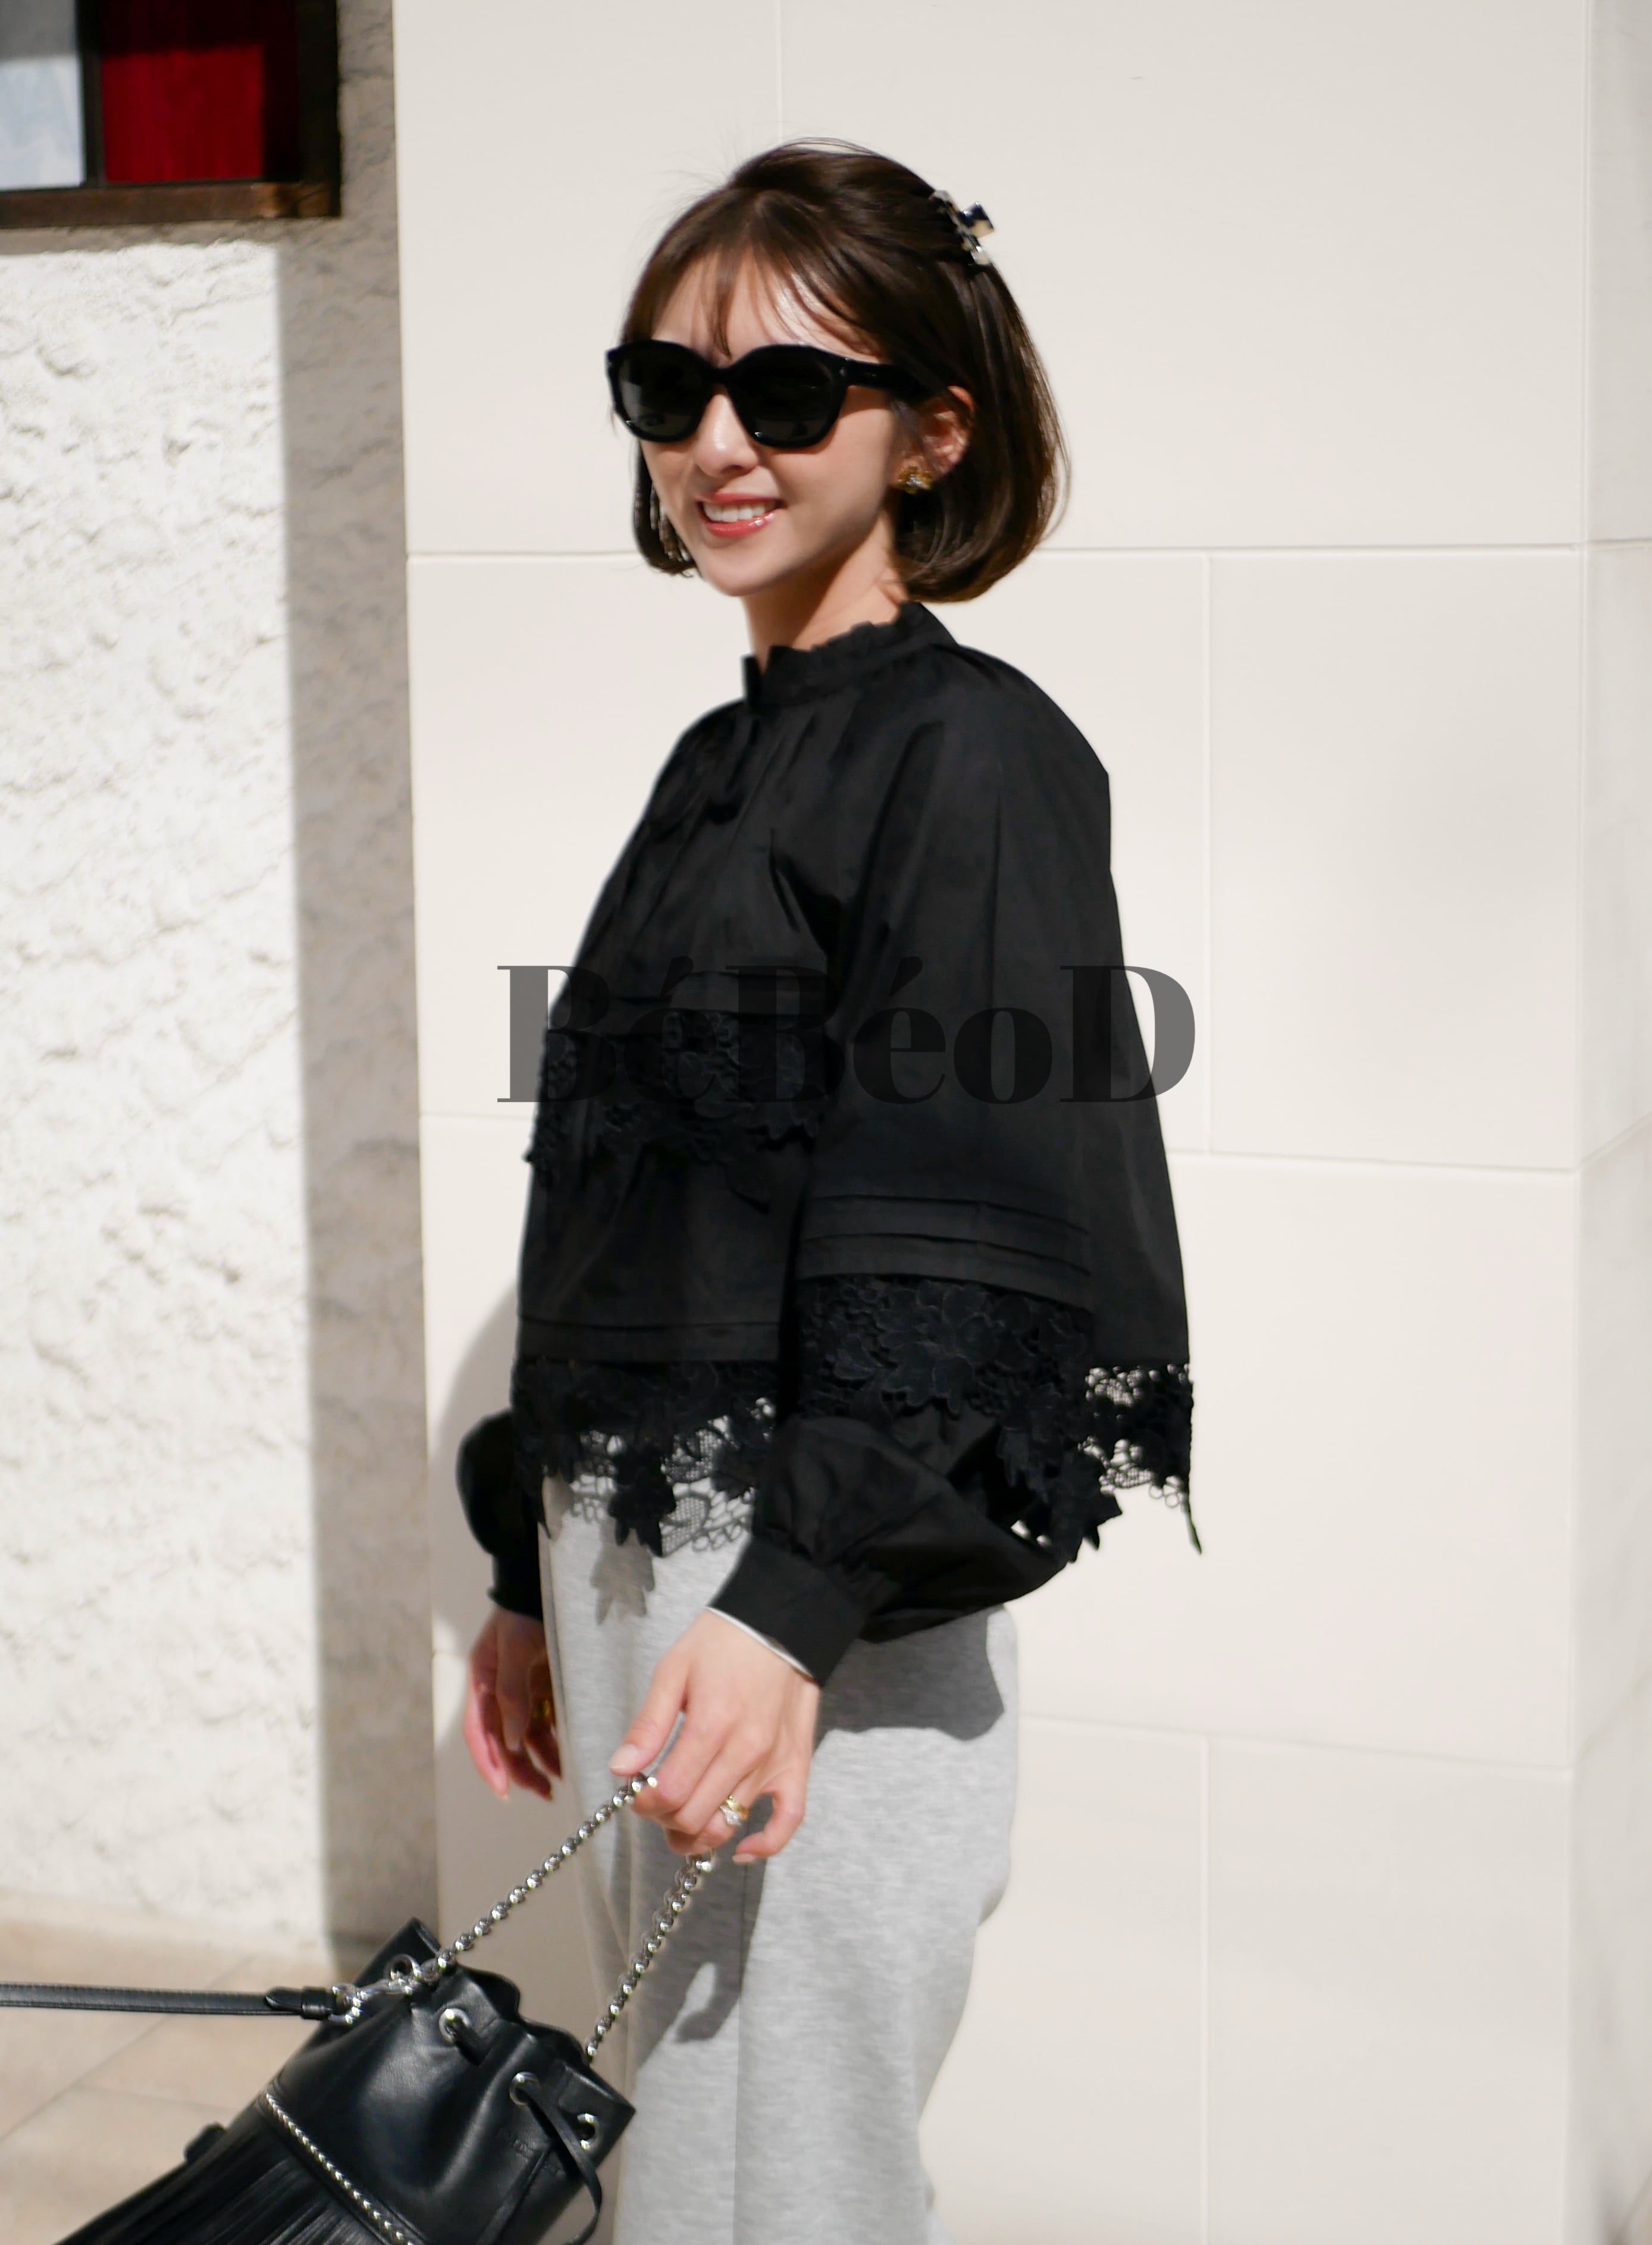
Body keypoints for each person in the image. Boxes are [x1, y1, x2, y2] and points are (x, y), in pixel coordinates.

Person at [455, 141, 1193, 2245]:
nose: (717, 445)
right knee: (690, 2168)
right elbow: (637, 1208)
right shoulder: (721, 759)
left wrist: (790, 1600)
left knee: (781, 2192)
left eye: (786, 394)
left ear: (930, 430)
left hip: (801, 1601)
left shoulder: (975, 756)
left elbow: (974, 1215)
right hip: (664, 1583)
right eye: (666, 389)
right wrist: (528, 1563)